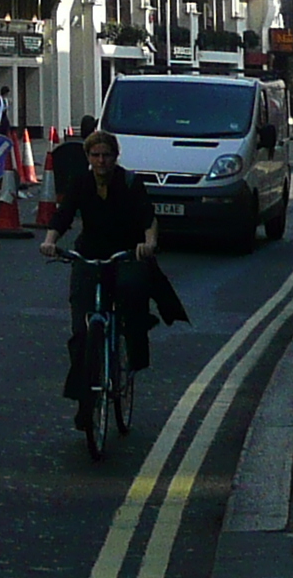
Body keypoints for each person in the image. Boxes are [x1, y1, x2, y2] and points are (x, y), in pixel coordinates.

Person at [39, 130, 187, 408]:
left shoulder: (129, 182)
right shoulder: (81, 183)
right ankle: (84, 395)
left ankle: (132, 344)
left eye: (106, 155)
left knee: (132, 297)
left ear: (115, 156)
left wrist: (149, 243)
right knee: (81, 329)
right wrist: (50, 241)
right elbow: (64, 215)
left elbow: (147, 216)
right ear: (88, 157)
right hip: (89, 254)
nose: (101, 161)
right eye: (95, 155)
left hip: (125, 253)